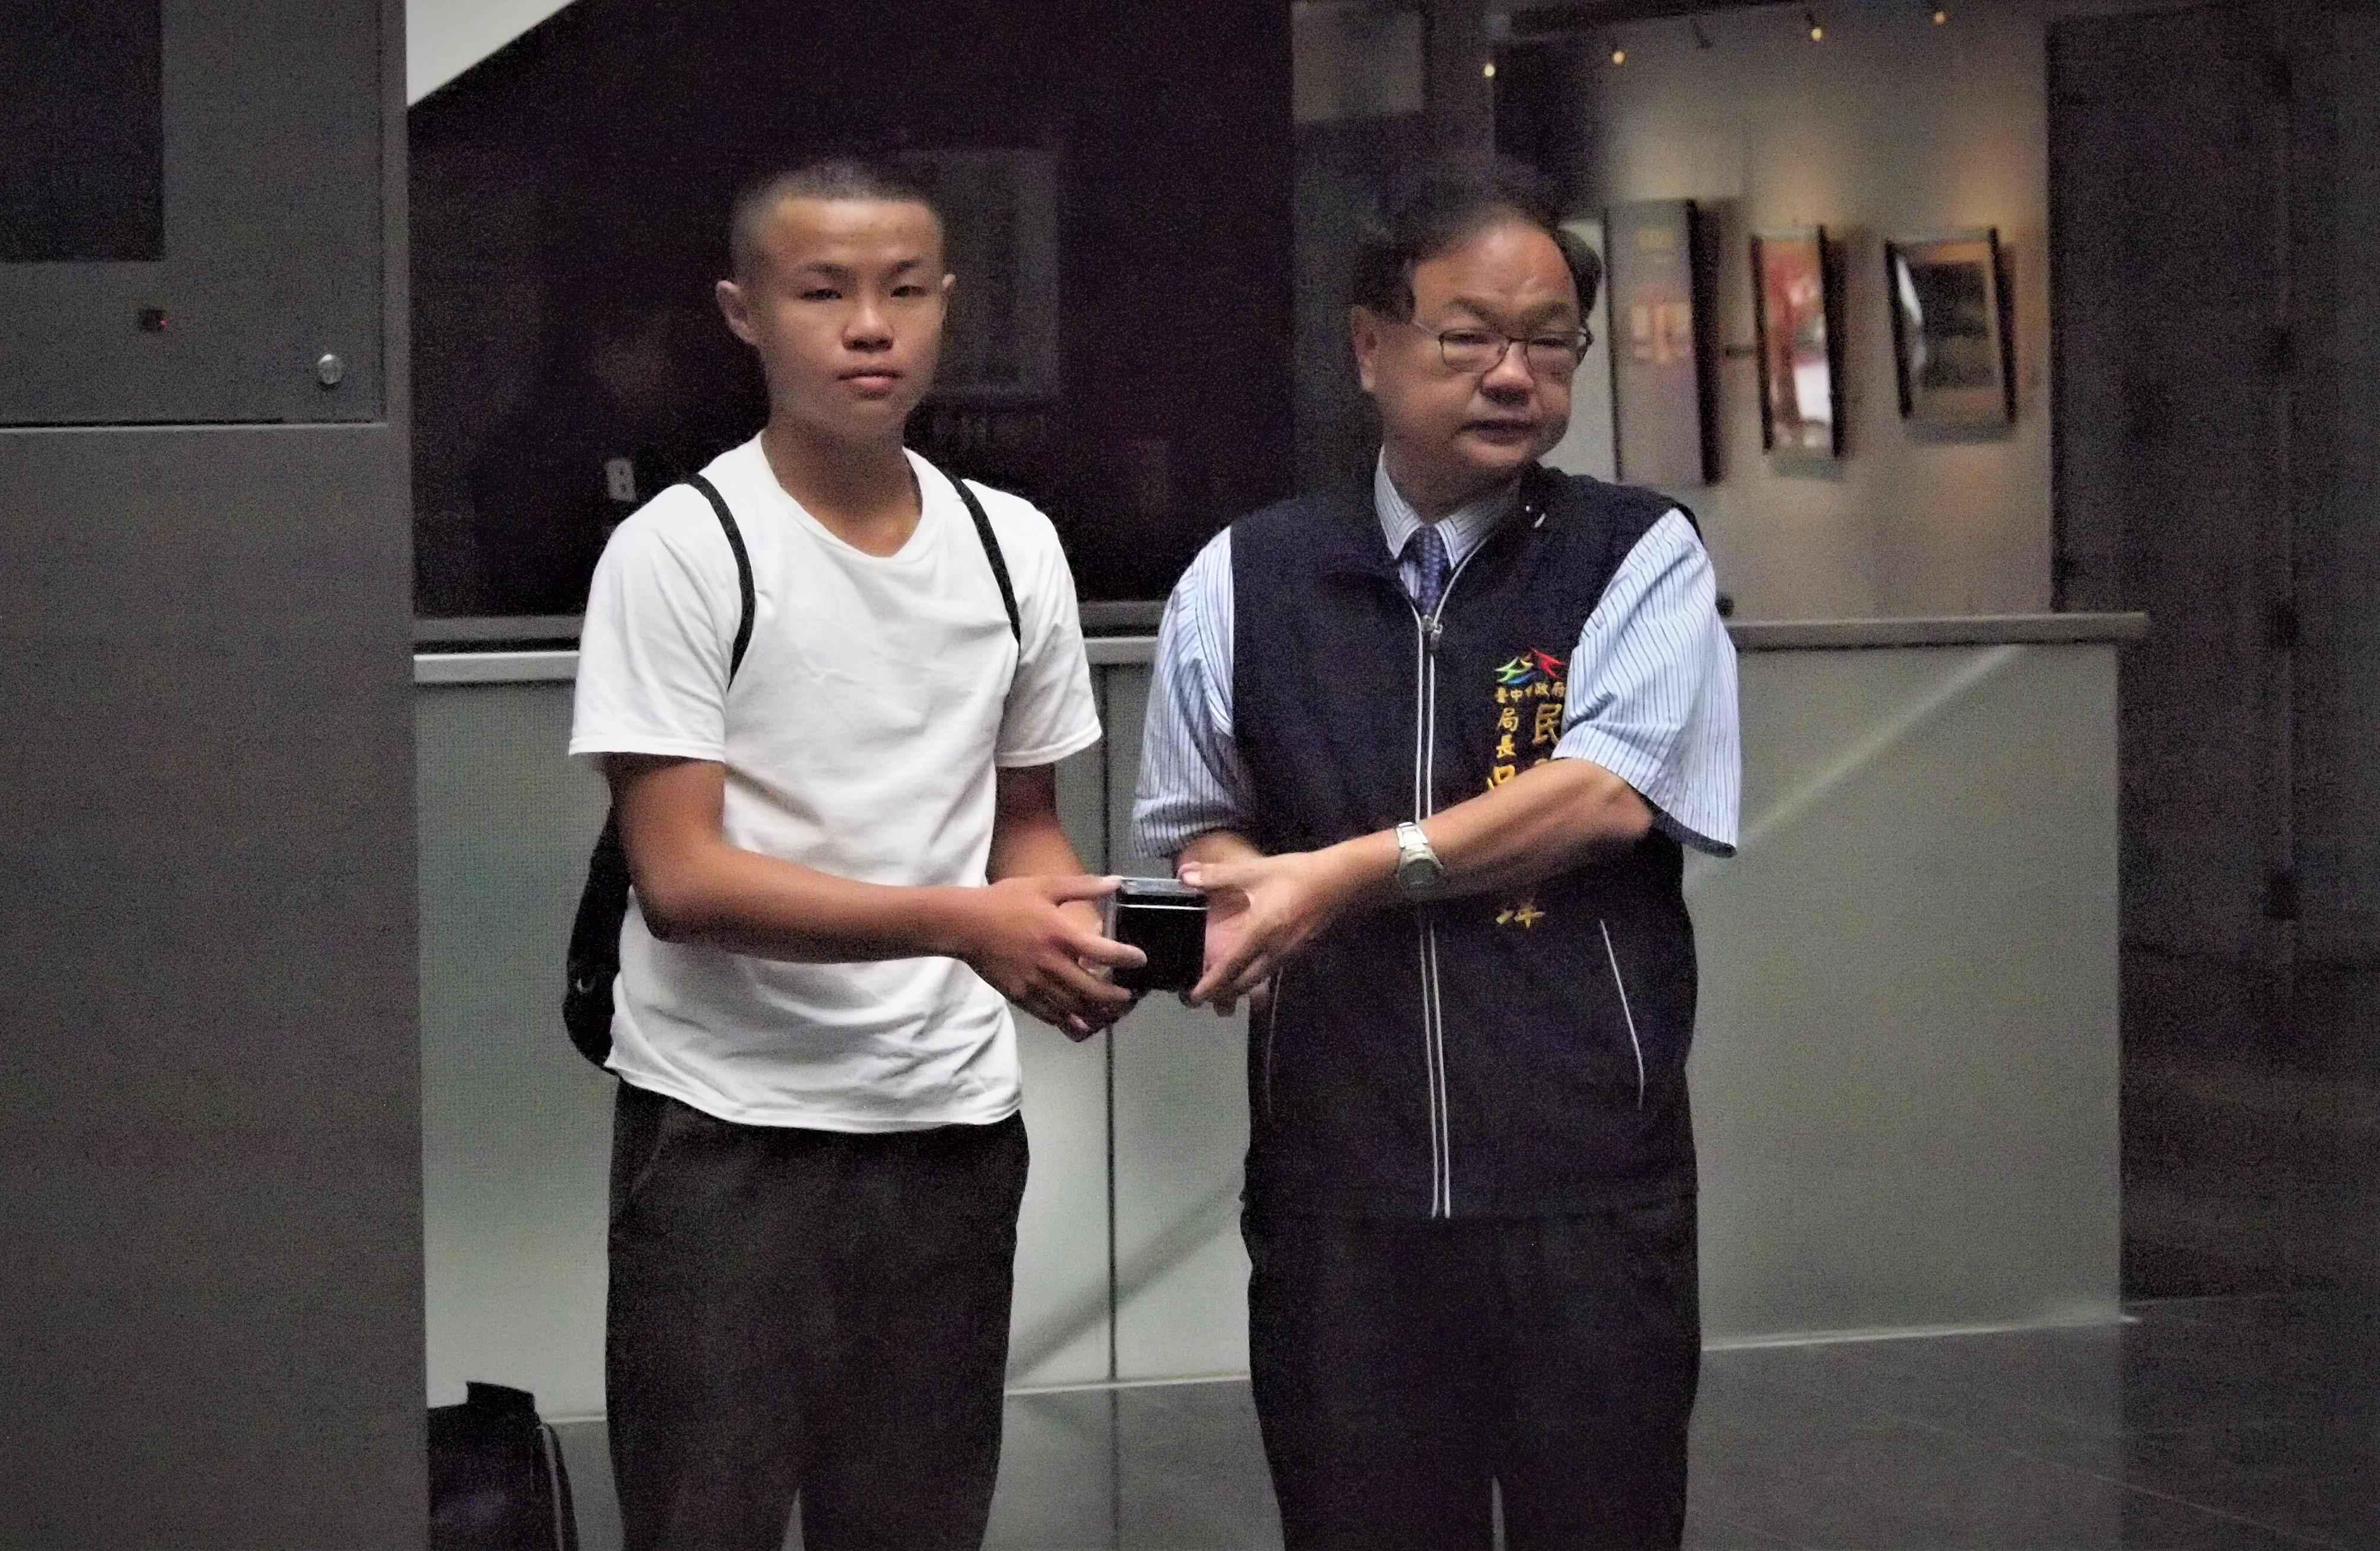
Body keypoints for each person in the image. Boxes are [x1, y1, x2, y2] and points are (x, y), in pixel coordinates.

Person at [1135, 162, 1740, 1549]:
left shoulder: (1636, 551)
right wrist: (1239, 889)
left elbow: (1604, 797)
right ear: (1371, 344)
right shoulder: (1247, 574)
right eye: (1467, 336)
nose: (1511, 374)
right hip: (1341, 1180)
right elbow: (1192, 819)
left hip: (1585, 1174)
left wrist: (1335, 875)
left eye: (1549, 341)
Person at [569, 157, 1142, 1551]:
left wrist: (1068, 931)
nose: (870, 327)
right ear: (743, 314)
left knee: (917, 1521)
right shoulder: (685, 548)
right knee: (705, 1521)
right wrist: (964, 924)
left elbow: (1021, 822)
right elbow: (682, 880)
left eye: (904, 291)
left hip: (948, 1123)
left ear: (949, 303)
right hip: (728, 1127)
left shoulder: (1012, 547)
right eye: (823, 293)